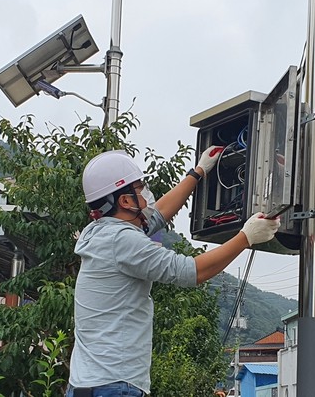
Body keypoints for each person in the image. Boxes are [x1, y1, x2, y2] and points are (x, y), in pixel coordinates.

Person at [66, 147, 280, 397]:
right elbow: (191, 271)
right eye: (139, 188)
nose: (145, 192)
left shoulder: (98, 231)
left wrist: (197, 172)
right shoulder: (122, 241)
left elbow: (156, 216)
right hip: (114, 385)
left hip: (84, 384)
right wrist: (246, 237)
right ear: (125, 201)